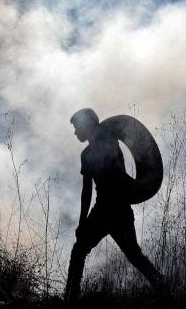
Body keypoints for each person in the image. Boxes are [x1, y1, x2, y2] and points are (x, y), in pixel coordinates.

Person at [64, 108, 163, 303]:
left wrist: (83, 222)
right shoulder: (89, 153)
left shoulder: (107, 141)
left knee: (81, 251)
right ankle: (162, 284)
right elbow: (87, 191)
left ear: (87, 124)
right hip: (115, 209)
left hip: (110, 209)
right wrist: (83, 222)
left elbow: (88, 191)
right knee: (133, 255)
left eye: (77, 128)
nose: (76, 133)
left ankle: (70, 299)